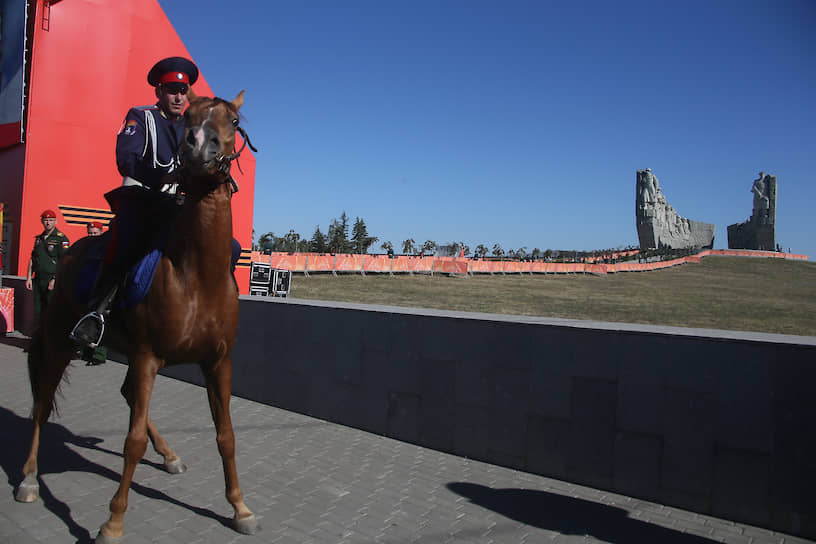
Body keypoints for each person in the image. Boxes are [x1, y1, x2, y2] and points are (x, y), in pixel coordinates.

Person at [70, 56, 200, 348]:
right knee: (126, 241)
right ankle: (96, 313)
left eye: (183, 90)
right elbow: (126, 159)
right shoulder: (141, 117)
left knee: (228, 247)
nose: (179, 96)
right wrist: (167, 176)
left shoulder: (194, 126)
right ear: (159, 92)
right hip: (144, 200)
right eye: (171, 89)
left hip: (180, 207)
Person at [25, 210, 70, 319]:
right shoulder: (39, 239)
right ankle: (38, 334)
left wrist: (55, 279)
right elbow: (33, 258)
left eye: (51, 220)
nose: (48, 223)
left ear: (56, 221)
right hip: (38, 278)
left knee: (50, 308)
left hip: (51, 279)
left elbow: (64, 261)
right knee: (38, 309)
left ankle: (50, 334)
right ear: (42, 221)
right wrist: (29, 278)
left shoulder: (61, 239)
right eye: (45, 220)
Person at [81, 221, 108, 365]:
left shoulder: (106, 247)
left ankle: (100, 354)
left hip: (102, 291)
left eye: (95, 233)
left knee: (102, 321)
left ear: (101, 232)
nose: (92, 236)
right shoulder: (87, 248)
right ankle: (86, 351)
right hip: (88, 290)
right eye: (90, 233)